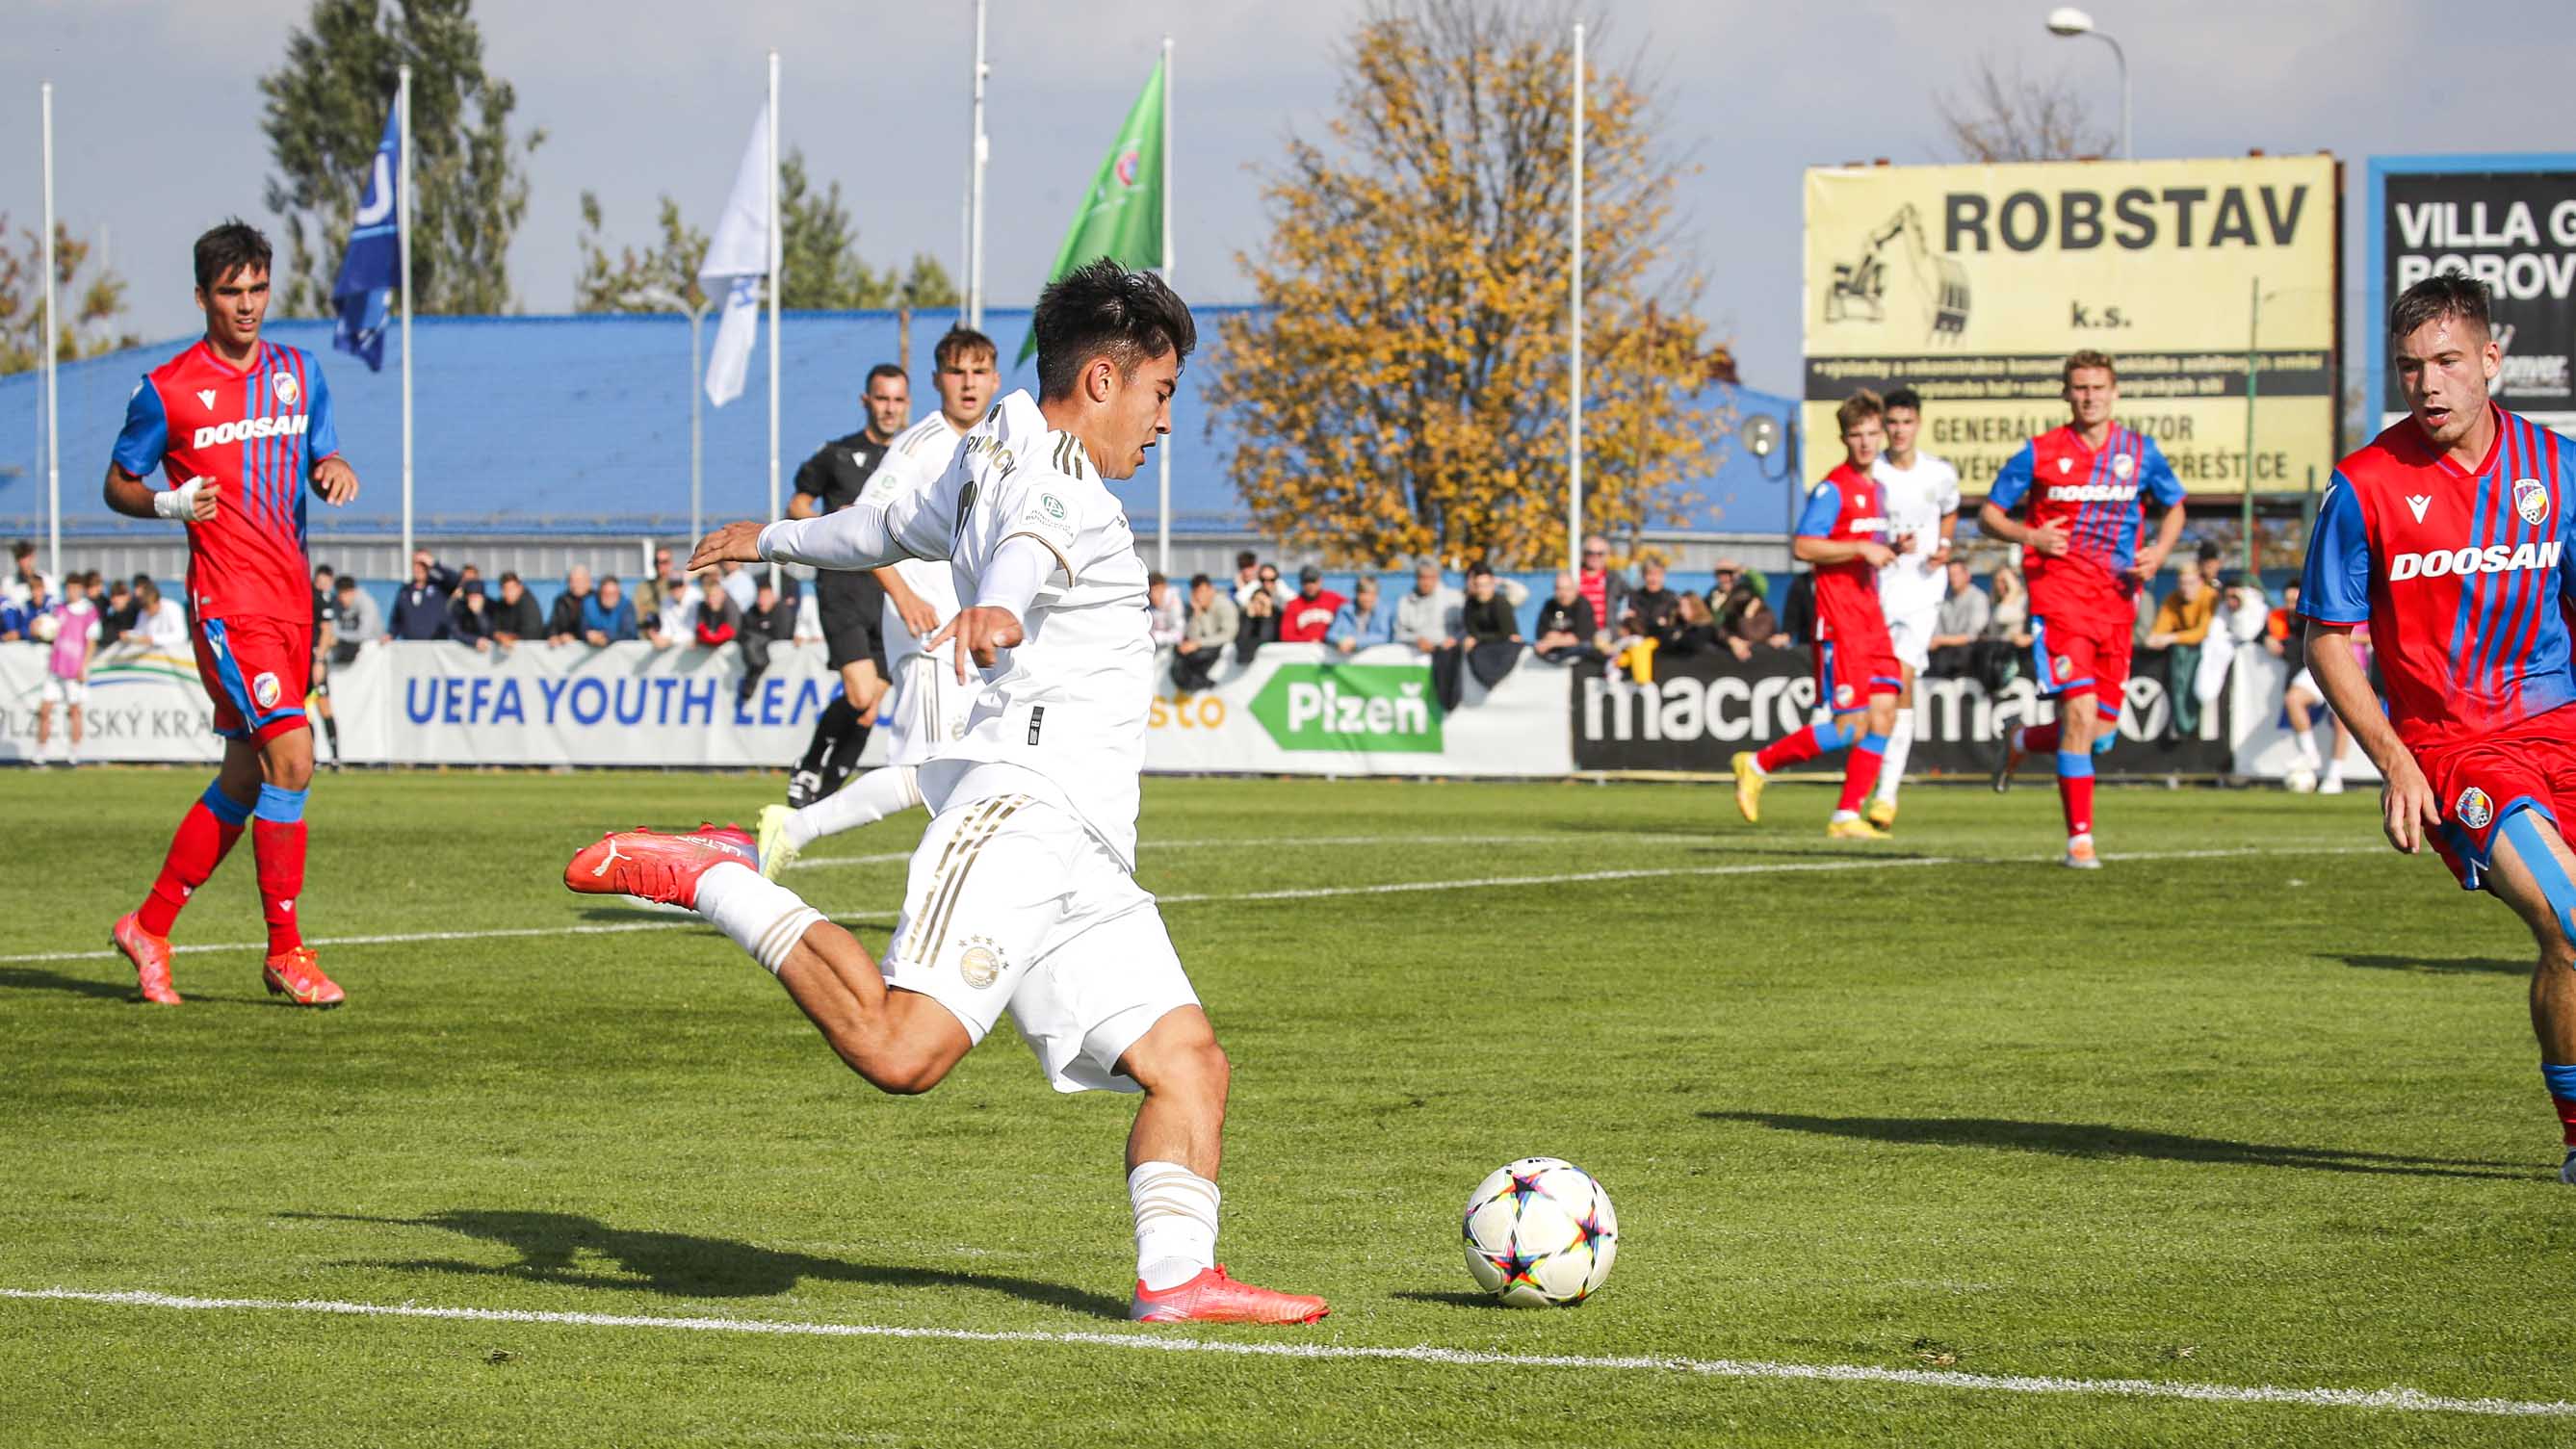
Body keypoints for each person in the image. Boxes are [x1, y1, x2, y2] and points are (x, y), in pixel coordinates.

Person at [601, 257, 1326, 1323]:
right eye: (1160, 393)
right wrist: (996, 605)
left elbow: (879, 530)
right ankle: (722, 877)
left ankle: (1177, 1274)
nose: (1164, 423)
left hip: (1082, 846)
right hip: (1021, 811)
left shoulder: (993, 448)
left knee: (1188, 1063)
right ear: (1098, 381)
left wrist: (772, 539)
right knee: (903, 1049)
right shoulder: (1056, 476)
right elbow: (1029, 540)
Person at [2298, 270, 2576, 1182]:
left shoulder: (2557, 467)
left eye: (2447, 361)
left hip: (2560, 727)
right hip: (2457, 746)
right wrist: (2394, 760)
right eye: (2411, 366)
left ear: (2490, 360)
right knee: (2570, 919)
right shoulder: (2363, 485)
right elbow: (2328, 641)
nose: (2428, 383)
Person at [101, 219, 354, 1007]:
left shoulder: (299, 372)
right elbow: (117, 483)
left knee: (246, 776)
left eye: (257, 288)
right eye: (230, 292)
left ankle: (149, 925)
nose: (247, 305)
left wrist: (335, 466)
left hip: (290, 601)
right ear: (203, 296)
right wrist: (168, 500)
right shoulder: (169, 388)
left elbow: (322, 451)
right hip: (227, 603)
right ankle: (287, 950)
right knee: (294, 756)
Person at [764, 344, 987, 859]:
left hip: (965, 632)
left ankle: (798, 823)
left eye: (979, 372)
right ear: (938, 381)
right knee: (930, 770)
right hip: (923, 626)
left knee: (958, 767)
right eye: (958, 372)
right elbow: (861, 523)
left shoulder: (990, 440)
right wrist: (905, 593)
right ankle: (798, 823)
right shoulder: (916, 445)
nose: (969, 383)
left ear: (995, 379)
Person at [1980, 350, 2189, 867]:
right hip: (2060, 601)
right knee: (2078, 714)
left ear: (2114, 393)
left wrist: (2158, 554)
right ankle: (2080, 841)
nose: (2088, 396)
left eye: (2097, 387)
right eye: (2079, 387)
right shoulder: (2040, 453)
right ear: (2065, 392)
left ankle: (2024, 738)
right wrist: (2030, 534)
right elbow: (1988, 514)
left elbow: (2176, 507)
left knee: (2099, 732)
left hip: (2117, 605)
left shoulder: (2139, 452)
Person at [1731, 390, 1904, 841]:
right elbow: (1804, 545)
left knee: (1886, 713)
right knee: (1850, 726)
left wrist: (1890, 549)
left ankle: (1847, 815)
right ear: (1844, 439)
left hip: (1871, 617)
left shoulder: (1878, 489)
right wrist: (1860, 547)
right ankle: (1757, 764)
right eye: (1856, 435)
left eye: (1872, 433)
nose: (1866, 442)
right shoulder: (1833, 488)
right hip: (1841, 617)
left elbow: (1861, 548)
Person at [1865, 384, 1962, 829]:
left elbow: (1949, 510)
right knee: (1875, 695)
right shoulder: (1872, 474)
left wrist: (1943, 545)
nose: (1899, 431)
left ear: (1918, 424)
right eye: (1892, 423)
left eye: (1906, 423)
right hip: (1878, 589)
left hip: (1921, 591)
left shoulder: (1939, 473)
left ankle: (1885, 794)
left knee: (1900, 677)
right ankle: (1871, 785)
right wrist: (1884, 545)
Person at [2271, 581, 2355, 793]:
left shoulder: (2357, 601)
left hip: (2351, 668)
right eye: (2287, 600)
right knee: (2293, 699)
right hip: (2320, 666)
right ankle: (2309, 753)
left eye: (2293, 600)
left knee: (2341, 721)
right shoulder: (2303, 614)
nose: (2290, 605)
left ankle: (2334, 777)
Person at [35, 572, 99, 766]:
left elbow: (92, 642)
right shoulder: (59, 609)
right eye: (68, 588)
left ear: (80, 589)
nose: (71, 591)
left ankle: (74, 754)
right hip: (56, 668)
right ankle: (40, 754)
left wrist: (84, 666)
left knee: (74, 711)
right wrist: (37, 627)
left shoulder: (89, 612)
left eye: (74, 587)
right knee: (45, 709)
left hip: (74, 669)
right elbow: (46, 629)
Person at [2147, 567, 2216, 736]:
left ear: (2200, 582)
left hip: (2210, 657)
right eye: (2182, 583)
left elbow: (2203, 632)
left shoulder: (2210, 597)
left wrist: (2172, 638)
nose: (2185, 588)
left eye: (2190, 583)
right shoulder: (2172, 599)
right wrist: (2156, 638)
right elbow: (2159, 631)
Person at [1925, 559, 1991, 678]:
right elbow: (1937, 633)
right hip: (1945, 654)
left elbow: (1972, 636)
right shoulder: (1944, 600)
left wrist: (1940, 640)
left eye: (1956, 574)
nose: (1952, 579)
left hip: (1970, 657)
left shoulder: (1978, 597)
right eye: (1950, 575)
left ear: (1967, 575)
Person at [1170, 575, 1236, 691]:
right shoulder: (1197, 608)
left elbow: (1228, 635)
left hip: (1220, 648)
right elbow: (1192, 636)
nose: (1199, 595)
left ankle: (1211, 686)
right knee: (1178, 653)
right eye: (1196, 592)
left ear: (1211, 590)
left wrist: (1198, 643)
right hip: (1204, 647)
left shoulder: (1224, 605)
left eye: (1202, 591)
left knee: (1195, 657)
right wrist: (1197, 614)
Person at [1532, 570, 1599, 663]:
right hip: (1554, 654)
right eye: (1559, 589)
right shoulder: (1550, 605)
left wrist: (1552, 642)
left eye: (1567, 589)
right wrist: (1561, 638)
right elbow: (1541, 633)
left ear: (1575, 589)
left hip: (1580, 658)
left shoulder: (1583, 605)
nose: (1563, 594)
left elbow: (1580, 638)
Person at [1575, 535, 1627, 652]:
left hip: (1607, 635)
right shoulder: (1574, 577)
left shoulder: (1614, 579)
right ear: (1583, 555)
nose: (1595, 557)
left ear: (1606, 556)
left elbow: (1632, 598)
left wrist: (1625, 622)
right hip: (1580, 635)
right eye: (1590, 553)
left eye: (1600, 553)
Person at [391, 550, 456, 640]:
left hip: (436, 647)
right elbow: (396, 619)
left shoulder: (440, 586)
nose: (419, 568)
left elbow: (457, 581)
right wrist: (390, 634)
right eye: (416, 564)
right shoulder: (405, 590)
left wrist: (434, 564)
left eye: (423, 564)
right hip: (411, 647)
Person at [1326, 576, 1394, 654]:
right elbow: (1331, 634)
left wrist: (1356, 641)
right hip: (1347, 657)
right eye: (1364, 593)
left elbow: (1384, 636)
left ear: (1377, 595)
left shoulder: (1384, 611)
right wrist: (1342, 640)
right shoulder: (1345, 610)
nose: (1367, 598)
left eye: (1372, 594)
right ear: (1357, 593)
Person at [1278, 566, 1343, 644]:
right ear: (1301, 583)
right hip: (1304, 651)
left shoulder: (1334, 599)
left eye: (1313, 581)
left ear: (1320, 581)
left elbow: (1351, 613)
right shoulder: (1293, 605)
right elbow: (1286, 636)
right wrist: (1308, 640)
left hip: (1332, 649)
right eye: (1306, 582)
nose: (1310, 585)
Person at [129, 578, 189, 652]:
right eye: (144, 608)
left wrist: (153, 639)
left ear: (157, 602)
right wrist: (129, 635)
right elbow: (139, 632)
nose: (147, 612)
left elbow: (181, 636)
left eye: (148, 607)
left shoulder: (173, 608)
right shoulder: (143, 612)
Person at [333, 573, 382, 658]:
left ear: (353, 592)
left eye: (345, 594)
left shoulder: (366, 603)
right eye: (340, 594)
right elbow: (332, 628)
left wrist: (338, 637)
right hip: (346, 650)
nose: (342, 598)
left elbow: (363, 635)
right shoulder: (337, 602)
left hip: (372, 652)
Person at [490, 571, 543, 647]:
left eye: (511, 589)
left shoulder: (529, 604)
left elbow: (531, 635)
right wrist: (500, 636)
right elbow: (494, 628)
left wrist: (509, 638)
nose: (509, 593)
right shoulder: (501, 604)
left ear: (520, 588)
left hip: (529, 653)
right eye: (505, 589)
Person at [546, 564, 593, 645]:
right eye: (572, 581)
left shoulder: (597, 600)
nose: (575, 584)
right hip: (565, 649)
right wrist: (553, 636)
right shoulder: (561, 600)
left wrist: (575, 637)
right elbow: (553, 623)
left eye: (579, 580)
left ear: (588, 582)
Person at [583, 576, 638, 645]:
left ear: (619, 593)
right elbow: (583, 628)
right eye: (606, 593)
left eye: (614, 593)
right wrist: (588, 635)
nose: (610, 597)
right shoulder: (589, 604)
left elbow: (630, 633)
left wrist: (607, 638)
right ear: (600, 593)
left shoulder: (626, 605)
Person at [449, 579, 497, 653]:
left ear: (483, 597)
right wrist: (474, 640)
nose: (474, 600)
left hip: (491, 654)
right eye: (471, 597)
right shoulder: (460, 608)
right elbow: (455, 631)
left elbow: (493, 631)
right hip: (465, 655)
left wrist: (479, 614)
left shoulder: (492, 606)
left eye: (477, 597)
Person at [1235, 586, 1280, 662]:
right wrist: (1249, 618)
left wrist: (1267, 617)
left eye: (1262, 602)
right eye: (1256, 601)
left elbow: (1266, 639)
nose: (1258, 605)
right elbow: (1241, 638)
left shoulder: (1277, 614)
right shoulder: (1245, 616)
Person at [1146, 572, 1186, 649]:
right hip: (1153, 646)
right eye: (1152, 591)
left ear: (1165, 587)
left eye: (1158, 590)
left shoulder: (1175, 603)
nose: (1154, 595)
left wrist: (1156, 636)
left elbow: (1179, 635)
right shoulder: (1146, 602)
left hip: (1171, 648)